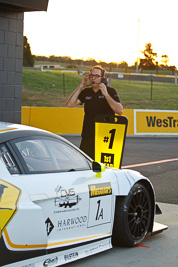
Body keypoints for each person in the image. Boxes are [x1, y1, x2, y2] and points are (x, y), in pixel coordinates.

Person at [66, 65, 123, 159]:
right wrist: (81, 86)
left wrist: (106, 94)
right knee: (86, 164)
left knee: (103, 166)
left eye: (96, 76)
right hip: (88, 135)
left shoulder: (110, 91)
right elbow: (70, 104)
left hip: (105, 137)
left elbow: (119, 111)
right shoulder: (86, 92)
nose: (93, 78)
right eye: (91, 75)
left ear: (103, 79)